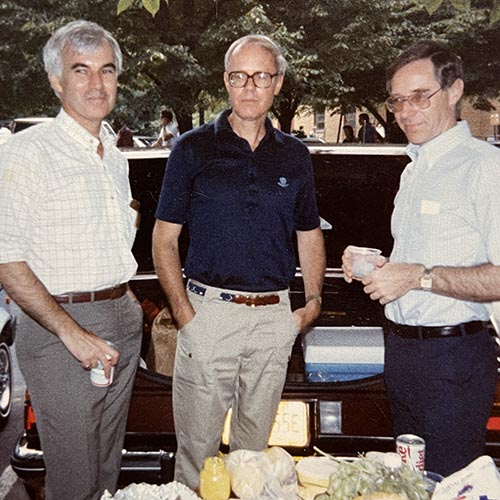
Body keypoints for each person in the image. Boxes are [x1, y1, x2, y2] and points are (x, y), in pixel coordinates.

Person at [152, 34, 326, 489]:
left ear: (278, 84)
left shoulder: (295, 155)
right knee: (196, 456)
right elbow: (163, 240)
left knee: (254, 461)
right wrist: (185, 315)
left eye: (261, 76)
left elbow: (308, 233)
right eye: (238, 76)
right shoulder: (191, 148)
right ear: (225, 82)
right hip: (209, 316)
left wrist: (312, 302)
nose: (249, 86)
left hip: (274, 319)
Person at [341, 40, 500, 477]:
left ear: (454, 91)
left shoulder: (484, 167)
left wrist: (416, 277)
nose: (406, 110)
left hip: (454, 359)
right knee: (409, 483)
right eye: (396, 100)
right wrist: (378, 265)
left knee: (448, 483)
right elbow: (420, 263)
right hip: (403, 355)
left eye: (419, 96)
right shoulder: (415, 168)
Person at [0, 20, 142, 500]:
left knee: (106, 468)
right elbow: (6, 257)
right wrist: (70, 332)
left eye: (106, 70)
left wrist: (129, 307)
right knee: (75, 477)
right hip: (61, 326)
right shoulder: (27, 153)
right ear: (56, 81)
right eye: (79, 71)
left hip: (121, 315)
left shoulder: (114, 159)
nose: (96, 84)